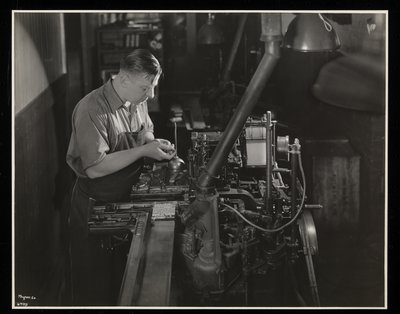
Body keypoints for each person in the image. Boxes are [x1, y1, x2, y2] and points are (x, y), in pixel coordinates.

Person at [65, 49, 175, 305]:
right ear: (123, 79)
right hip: (95, 204)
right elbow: (95, 167)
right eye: (146, 88)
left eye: (154, 87)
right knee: (94, 287)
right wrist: (144, 151)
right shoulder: (91, 108)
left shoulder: (137, 99)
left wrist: (153, 143)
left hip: (126, 199)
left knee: (121, 280)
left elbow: (145, 130)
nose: (151, 94)